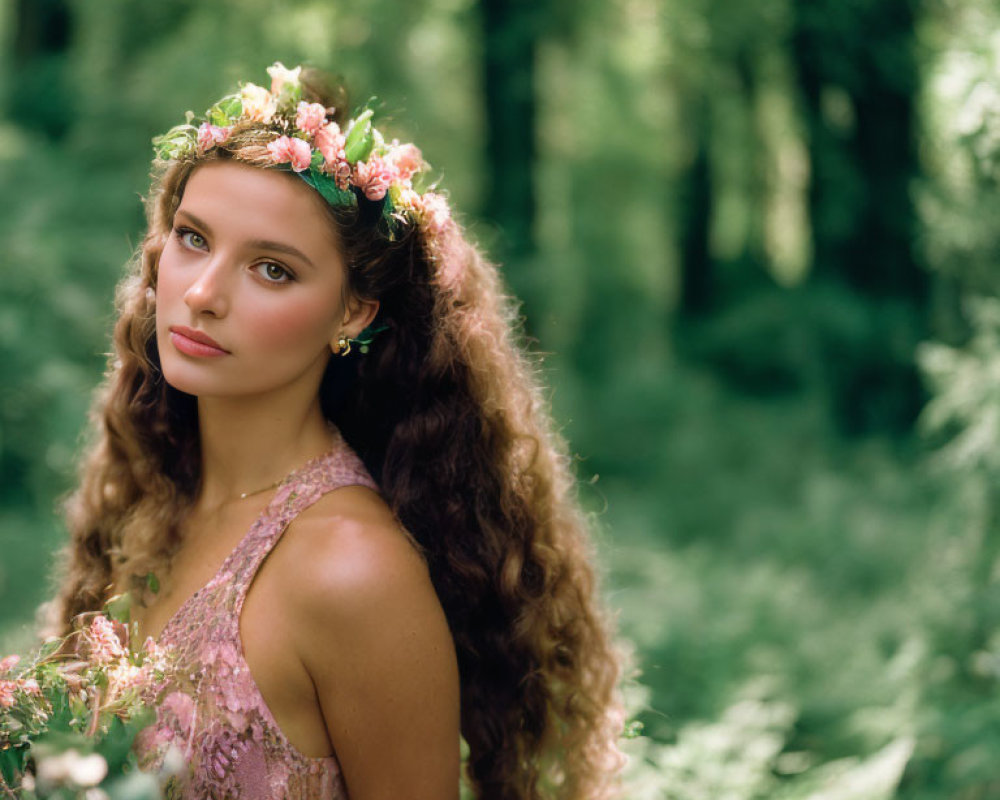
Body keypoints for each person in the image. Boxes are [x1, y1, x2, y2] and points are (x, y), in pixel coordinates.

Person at [50, 62, 625, 799]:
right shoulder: (157, 496)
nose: (201, 293)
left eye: (272, 270)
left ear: (354, 313)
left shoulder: (352, 572)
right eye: (193, 239)